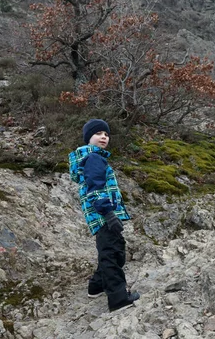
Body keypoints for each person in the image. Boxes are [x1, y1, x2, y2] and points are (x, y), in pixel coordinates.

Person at [68, 118, 140, 312]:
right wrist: (109, 214)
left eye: (106, 134)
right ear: (88, 138)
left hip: (100, 215)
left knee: (111, 251)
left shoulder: (91, 158)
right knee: (112, 254)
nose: (103, 137)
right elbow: (96, 189)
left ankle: (96, 286)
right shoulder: (93, 158)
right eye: (98, 133)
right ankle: (119, 300)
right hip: (103, 214)